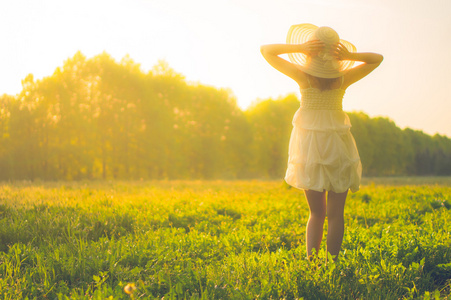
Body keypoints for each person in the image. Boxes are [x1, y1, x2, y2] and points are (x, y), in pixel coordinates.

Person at [260, 24, 383, 260]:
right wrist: (350, 56)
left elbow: (266, 50)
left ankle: (312, 263)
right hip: (338, 146)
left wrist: (299, 48)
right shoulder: (343, 78)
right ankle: (332, 263)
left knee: (316, 212)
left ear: (311, 51)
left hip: (309, 148)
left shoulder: (303, 77)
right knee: (337, 214)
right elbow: (377, 59)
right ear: (336, 53)